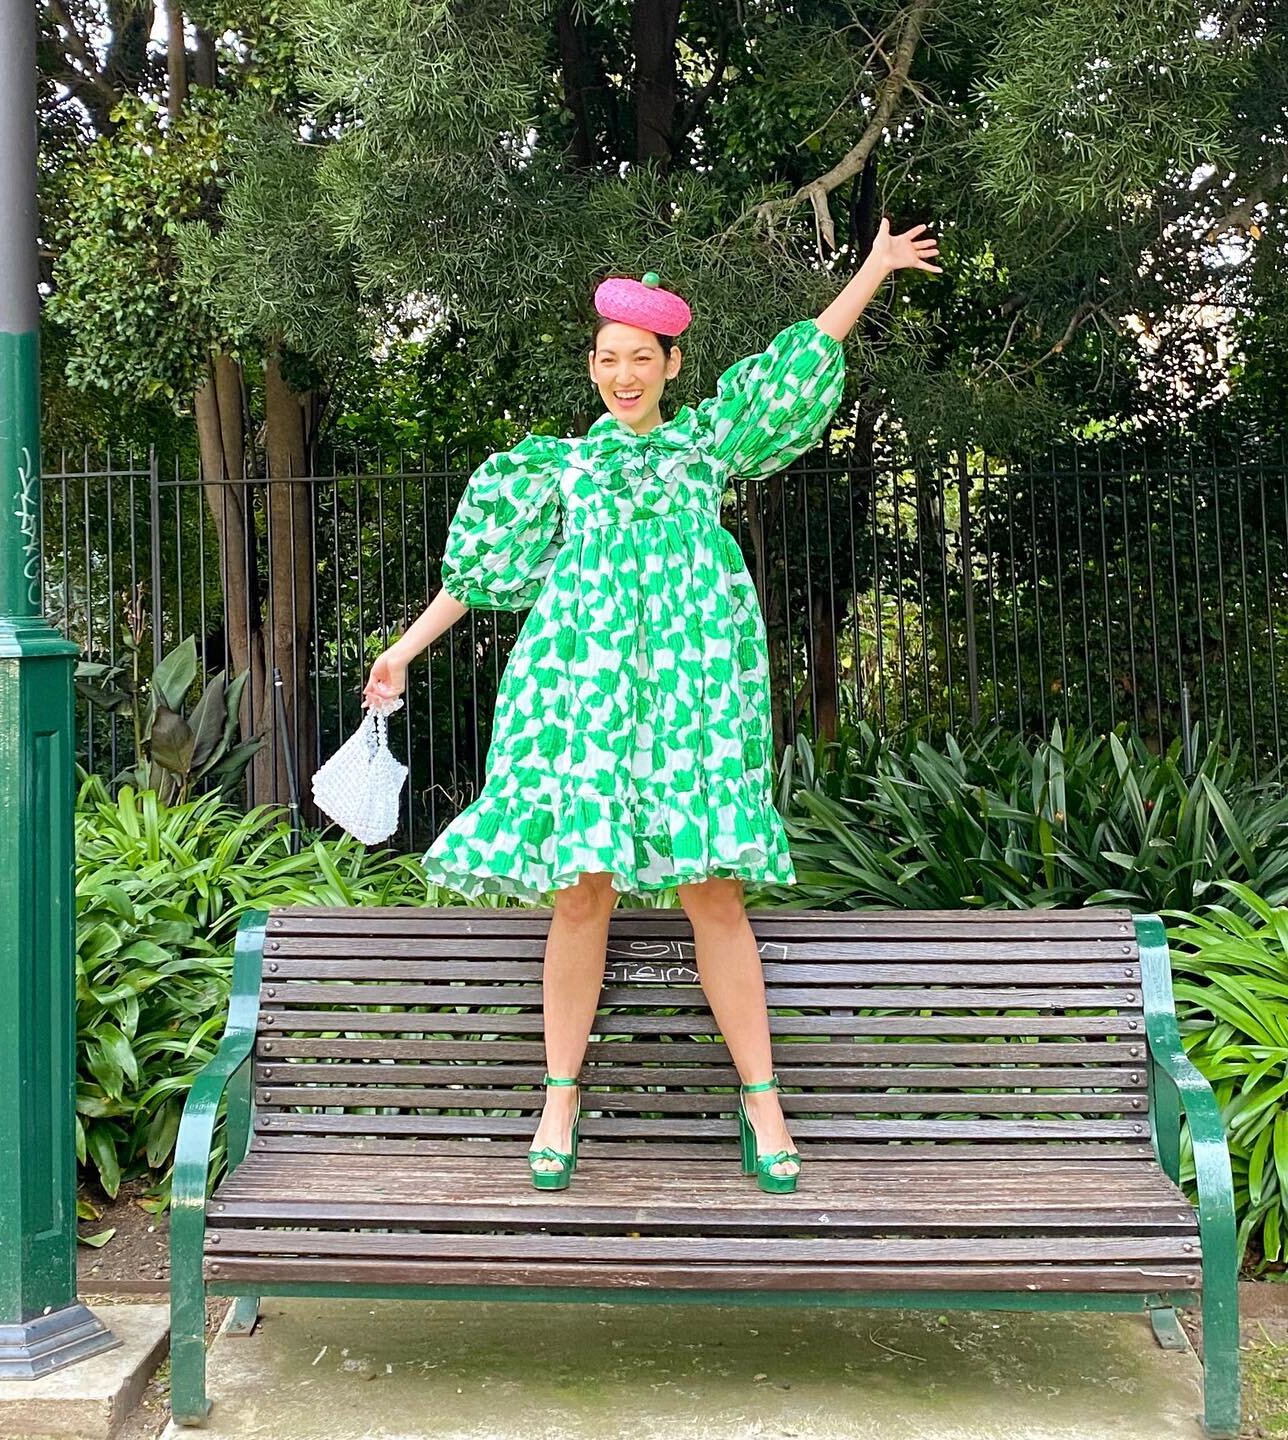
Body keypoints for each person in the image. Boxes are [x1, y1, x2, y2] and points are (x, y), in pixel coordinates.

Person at [362, 218, 943, 1192]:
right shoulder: (559, 467)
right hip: (579, 690)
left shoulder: (706, 448)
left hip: (691, 693)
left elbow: (797, 367)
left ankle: (762, 1101)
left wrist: (873, 271)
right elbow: (477, 572)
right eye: (607, 359)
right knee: (580, 888)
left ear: (672, 364)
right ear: (593, 364)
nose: (621, 375)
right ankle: (559, 1098)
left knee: (712, 889)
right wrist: (404, 650)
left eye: (640, 359)